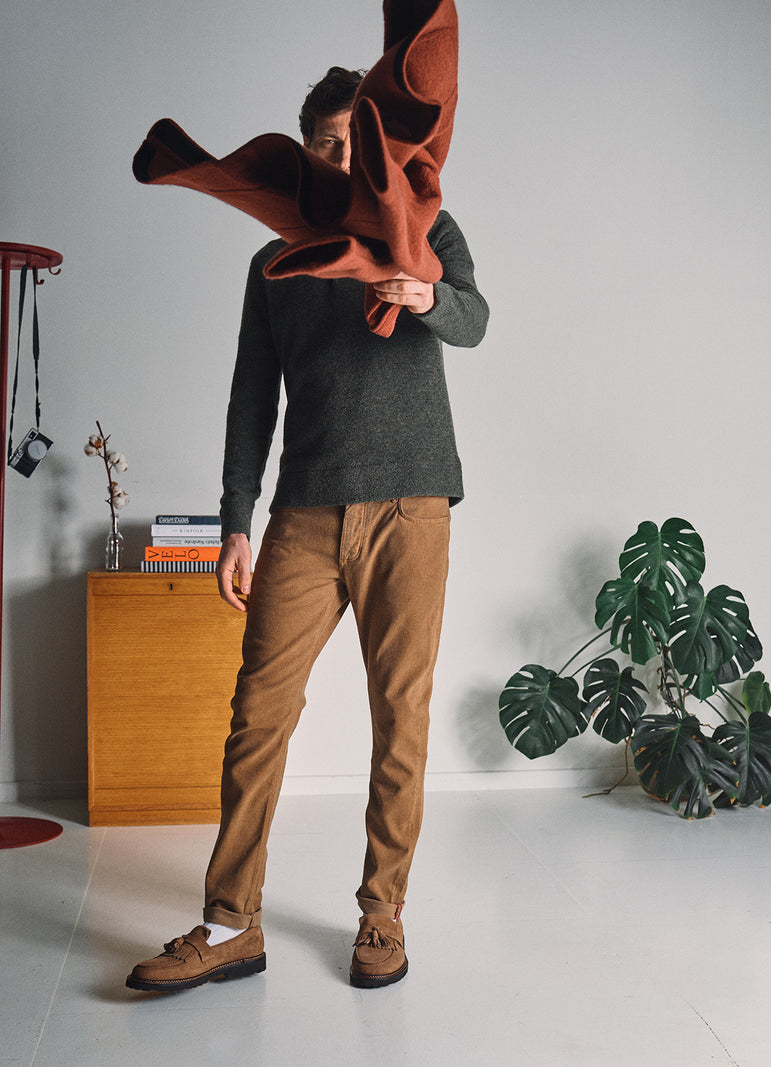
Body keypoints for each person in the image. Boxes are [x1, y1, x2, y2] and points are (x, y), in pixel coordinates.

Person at [127, 66, 489, 992]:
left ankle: (382, 916)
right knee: (257, 715)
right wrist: (234, 522)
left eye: (353, 144)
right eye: (324, 143)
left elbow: (476, 319)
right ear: (303, 149)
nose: (340, 159)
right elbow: (251, 395)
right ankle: (228, 921)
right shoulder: (275, 261)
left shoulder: (426, 232)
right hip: (305, 511)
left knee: (399, 722)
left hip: (412, 505)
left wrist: (424, 296)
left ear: (375, 151)